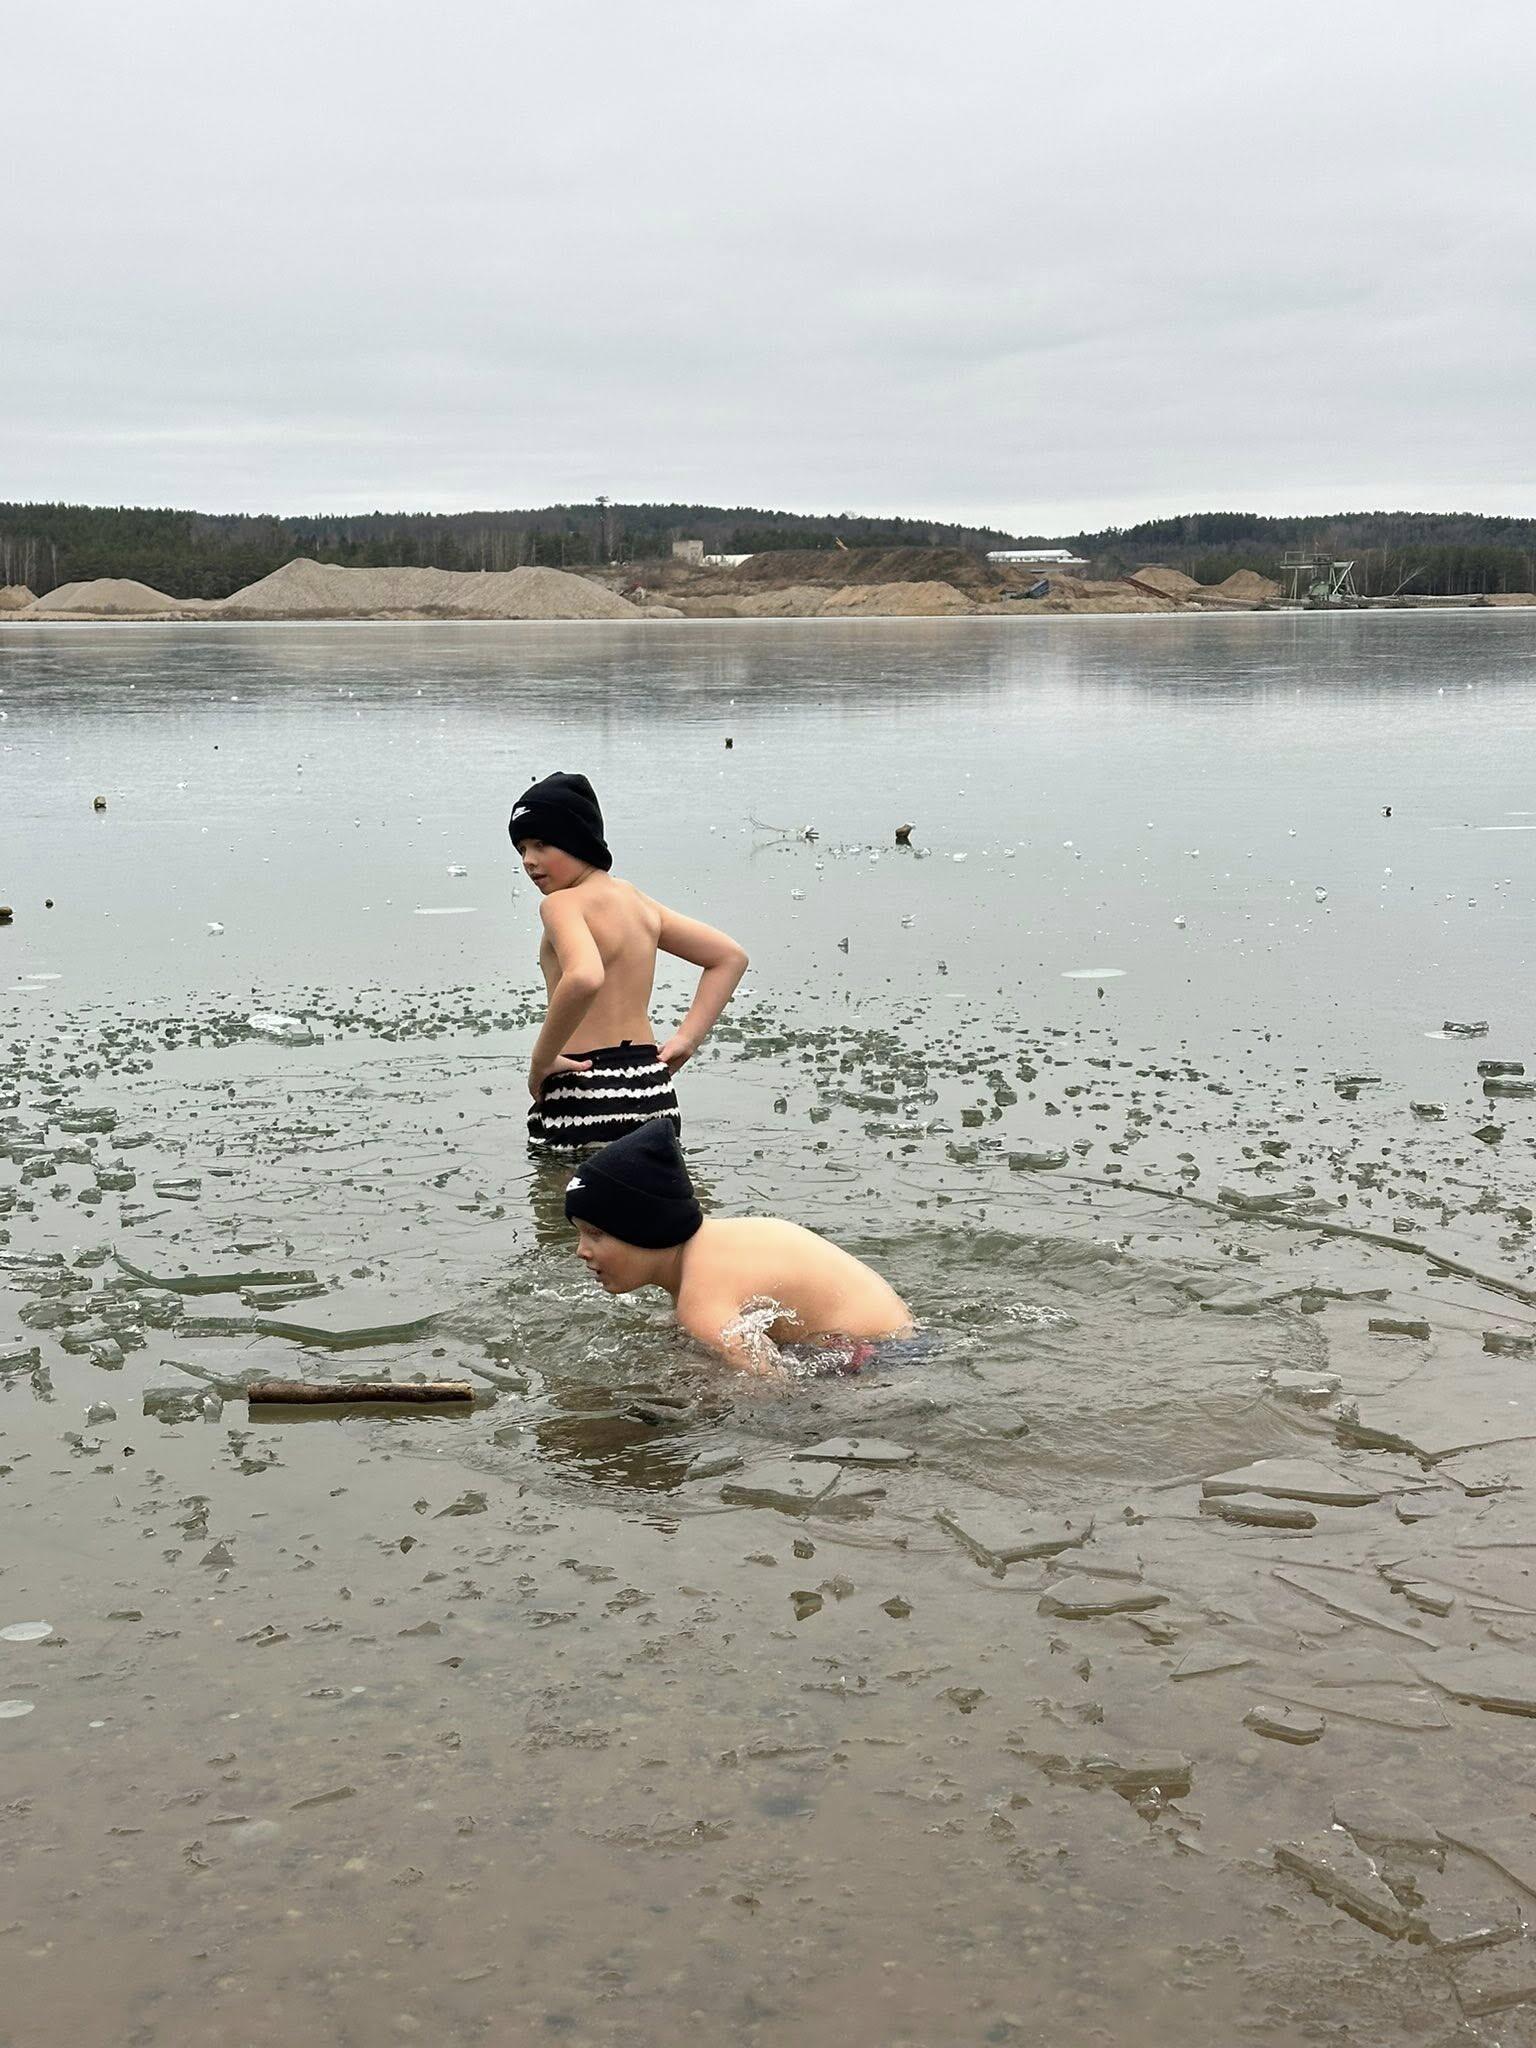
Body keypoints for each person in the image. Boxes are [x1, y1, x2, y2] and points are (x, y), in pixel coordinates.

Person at [510, 772, 748, 1151]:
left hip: (583, 1085)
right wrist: (687, 1039)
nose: (529, 860)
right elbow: (728, 958)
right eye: (521, 848)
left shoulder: (561, 904)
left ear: (578, 841)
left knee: (561, 1190)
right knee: (656, 1190)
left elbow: (585, 977)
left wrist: (542, 1061)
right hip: (653, 1089)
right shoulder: (637, 902)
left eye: (542, 844)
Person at [563, 1119, 913, 1376]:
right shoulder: (714, 1246)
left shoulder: (700, 1301)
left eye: (596, 1234)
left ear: (646, 1228)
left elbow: (769, 1382)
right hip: (902, 1339)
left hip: (879, 1363)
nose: (582, 1250)